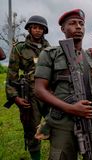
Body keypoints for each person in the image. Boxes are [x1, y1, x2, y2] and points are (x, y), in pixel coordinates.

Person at [34, 9, 92, 159]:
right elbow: (39, 89)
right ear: (63, 29)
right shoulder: (50, 54)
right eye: (73, 23)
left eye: (81, 24)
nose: (78, 27)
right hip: (63, 121)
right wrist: (71, 108)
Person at [5, 15, 50, 160]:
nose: (37, 31)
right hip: (30, 94)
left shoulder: (50, 48)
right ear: (29, 29)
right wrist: (15, 97)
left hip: (49, 93)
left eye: (40, 28)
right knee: (31, 129)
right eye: (34, 27)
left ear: (44, 30)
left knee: (56, 124)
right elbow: (11, 75)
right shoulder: (19, 48)